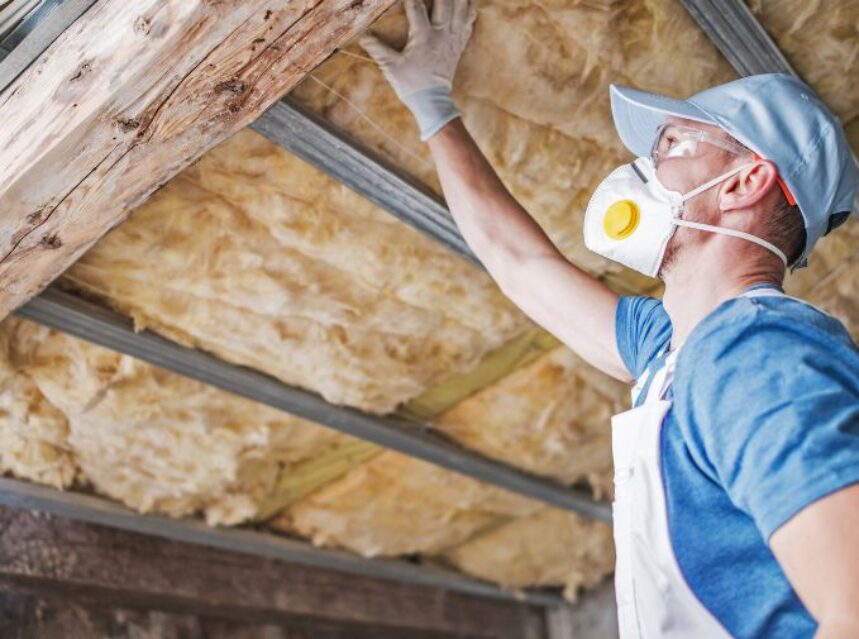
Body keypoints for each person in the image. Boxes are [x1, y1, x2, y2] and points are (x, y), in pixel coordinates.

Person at [360, 1, 859, 636]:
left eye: (675, 144)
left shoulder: (756, 352)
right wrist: (434, 108)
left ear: (744, 184)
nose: (644, 167)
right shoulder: (674, 352)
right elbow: (520, 263)